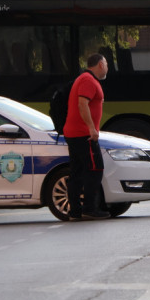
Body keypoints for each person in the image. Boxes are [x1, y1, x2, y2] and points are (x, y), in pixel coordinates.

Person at [64, 53, 110, 220]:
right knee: (95, 170)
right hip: (84, 134)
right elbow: (82, 104)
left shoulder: (84, 78)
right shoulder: (88, 80)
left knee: (77, 172)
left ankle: (75, 211)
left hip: (75, 133)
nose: (107, 67)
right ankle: (89, 208)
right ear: (99, 64)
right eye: (106, 63)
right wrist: (92, 129)